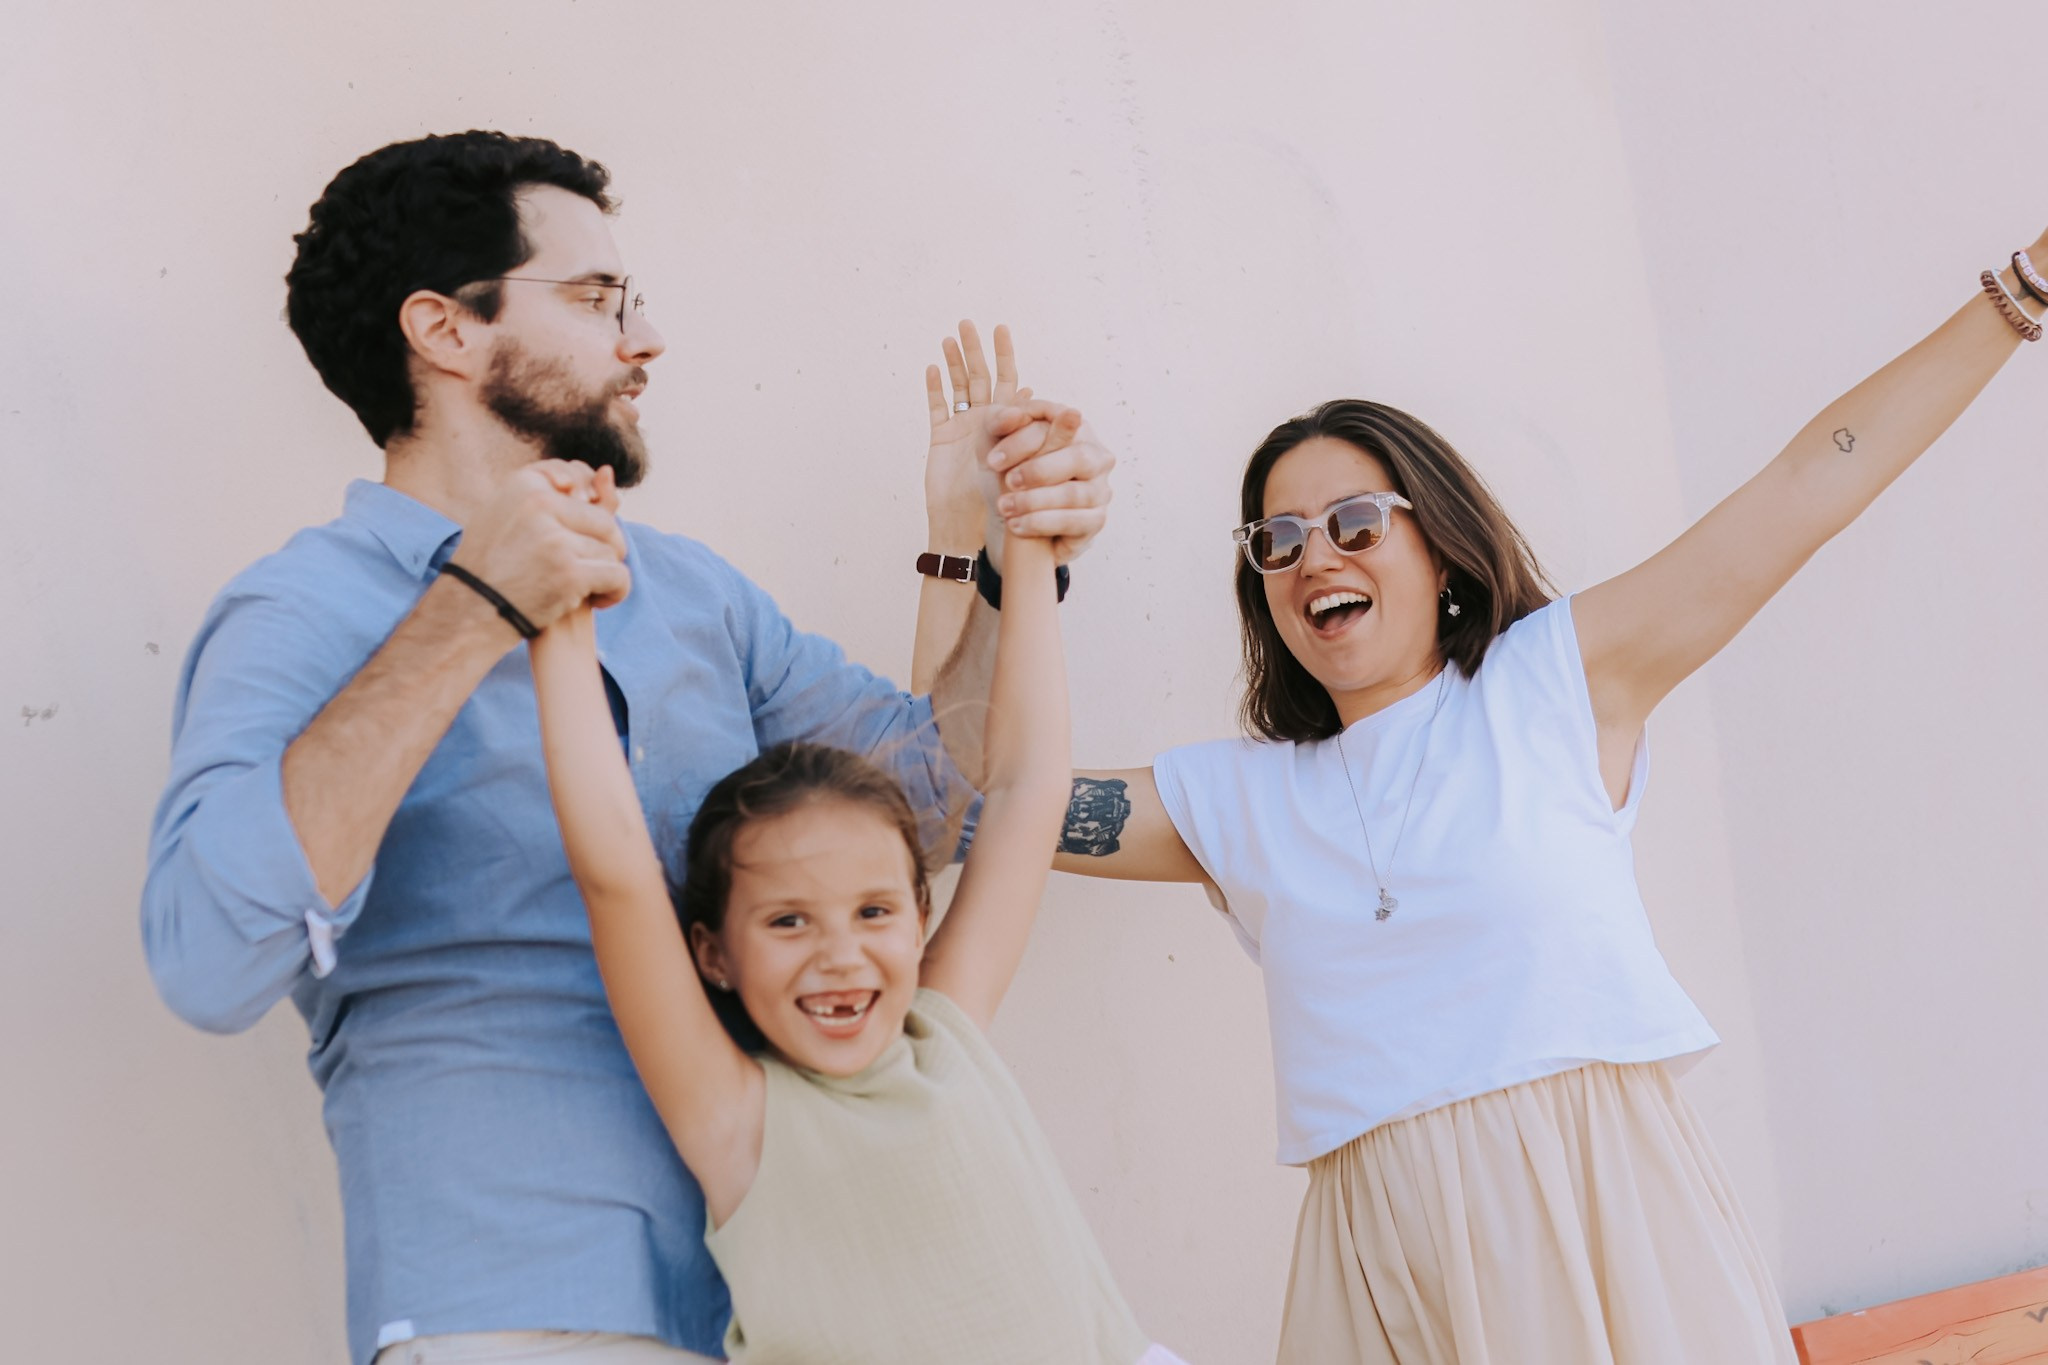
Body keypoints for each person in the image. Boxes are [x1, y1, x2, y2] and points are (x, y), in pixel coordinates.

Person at [920, 228, 2048, 1363]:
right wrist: (985, 551)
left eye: (1356, 524)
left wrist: (2022, 293)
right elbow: (958, 789)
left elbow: (1813, 480)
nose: (1317, 559)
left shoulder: (1558, 685)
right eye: (1279, 542)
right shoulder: (1235, 802)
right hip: (1377, 1269)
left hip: (1606, 1229)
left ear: (1441, 551)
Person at [140, 129, 1112, 1365]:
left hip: (791, 1308)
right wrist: (468, 611)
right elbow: (206, 960)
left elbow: (940, 800)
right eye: (599, 301)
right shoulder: (299, 613)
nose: (643, 340)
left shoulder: (696, 595)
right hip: (514, 1310)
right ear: (443, 330)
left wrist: (985, 550)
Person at [530, 443, 1185, 1363]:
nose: (840, 952)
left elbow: (1030, 781)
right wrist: (560, 618)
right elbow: (616, 876)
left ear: (921, 919)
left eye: (874, 912)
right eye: (788, 920)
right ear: (712, 951)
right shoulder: (736, 1121)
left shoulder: (945, 1031)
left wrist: (1027, 546)